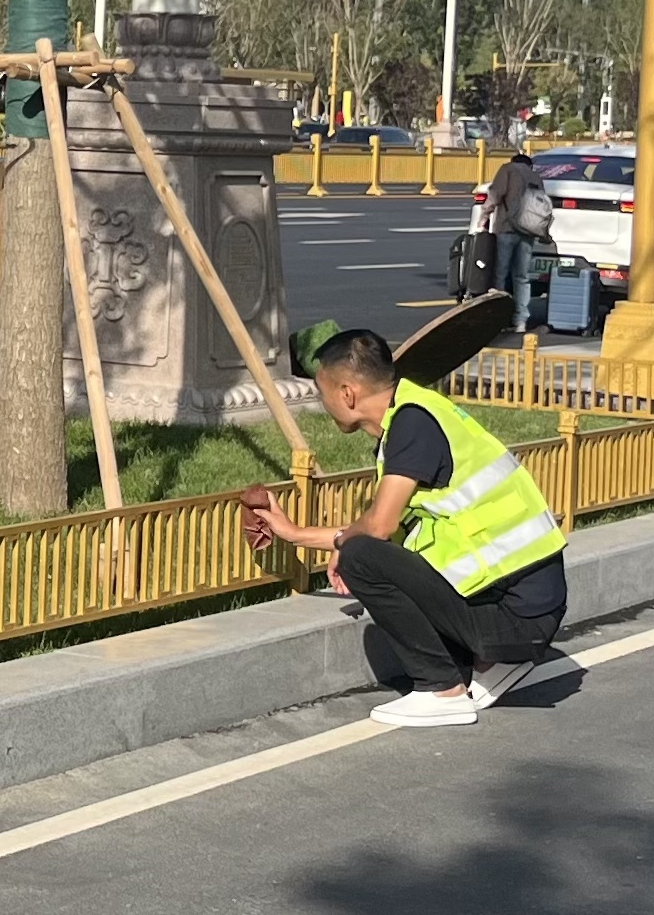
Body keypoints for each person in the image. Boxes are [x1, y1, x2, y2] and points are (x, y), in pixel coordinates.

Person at [236, 326, 568, 728]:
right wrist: (294, 533)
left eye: (323, 394)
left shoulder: (412, 425)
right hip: (524, 608)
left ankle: (442, 690)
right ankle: (490, 664)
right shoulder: (415, 413)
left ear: (347, 393)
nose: (324, 405)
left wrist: (346, 545)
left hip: (516, 616)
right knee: (360, 550)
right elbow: (381, 530)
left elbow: (377, 527)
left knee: (359, 556)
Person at [483, 137, 550, 333]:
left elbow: (496, 194)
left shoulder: (508, 170)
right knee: (522, 277)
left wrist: (484, 216)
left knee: (500, 275)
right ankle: (521, 320)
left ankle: (498, 317)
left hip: (506, 229)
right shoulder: (536, 177)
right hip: (528, 232)